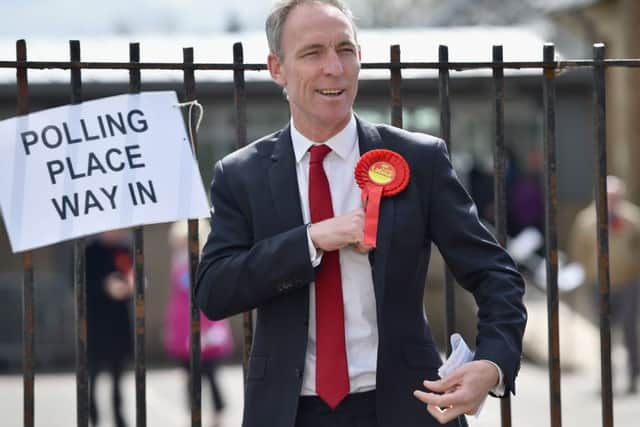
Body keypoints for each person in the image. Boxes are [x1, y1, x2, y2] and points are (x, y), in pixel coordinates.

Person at [195, 1, 527, 426]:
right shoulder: (240, 174)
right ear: (276, 68)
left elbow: (495, 272)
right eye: (313, 52)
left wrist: (492, 363)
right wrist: (311, 240)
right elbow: (215, 290)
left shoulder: (419, 159)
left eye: (345, 50)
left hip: (408, 407)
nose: (334, 67)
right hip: (288, 411)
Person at [569, 175, 640, 395]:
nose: (611, 201)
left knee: (630, 329)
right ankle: (607, 377)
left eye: (615, 197)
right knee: (604, 330)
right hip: (599, 283)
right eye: (607, 196)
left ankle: (633, 374)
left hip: (628, 282)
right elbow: (578, 250)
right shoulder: (586, 220)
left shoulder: (632, 218)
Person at [164, 220, 234, 427]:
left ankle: (219, 412)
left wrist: (207, 331)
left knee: (211, 374)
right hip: (182, 326)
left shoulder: (203, 262)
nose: (182, 246)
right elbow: (177, 297)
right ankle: (194, 412)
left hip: (205, 326)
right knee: (190, 375)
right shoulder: (177, 263)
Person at [86, 229, 134, 427]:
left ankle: (119, 418)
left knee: (118, 374)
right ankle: (92, 417)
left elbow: (134, 273)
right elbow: (80, 283)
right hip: (96, 320)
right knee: (93, 374)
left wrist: (132, 285)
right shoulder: (90, 250)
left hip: (119, 320)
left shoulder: (125, 248)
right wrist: (105, 286)